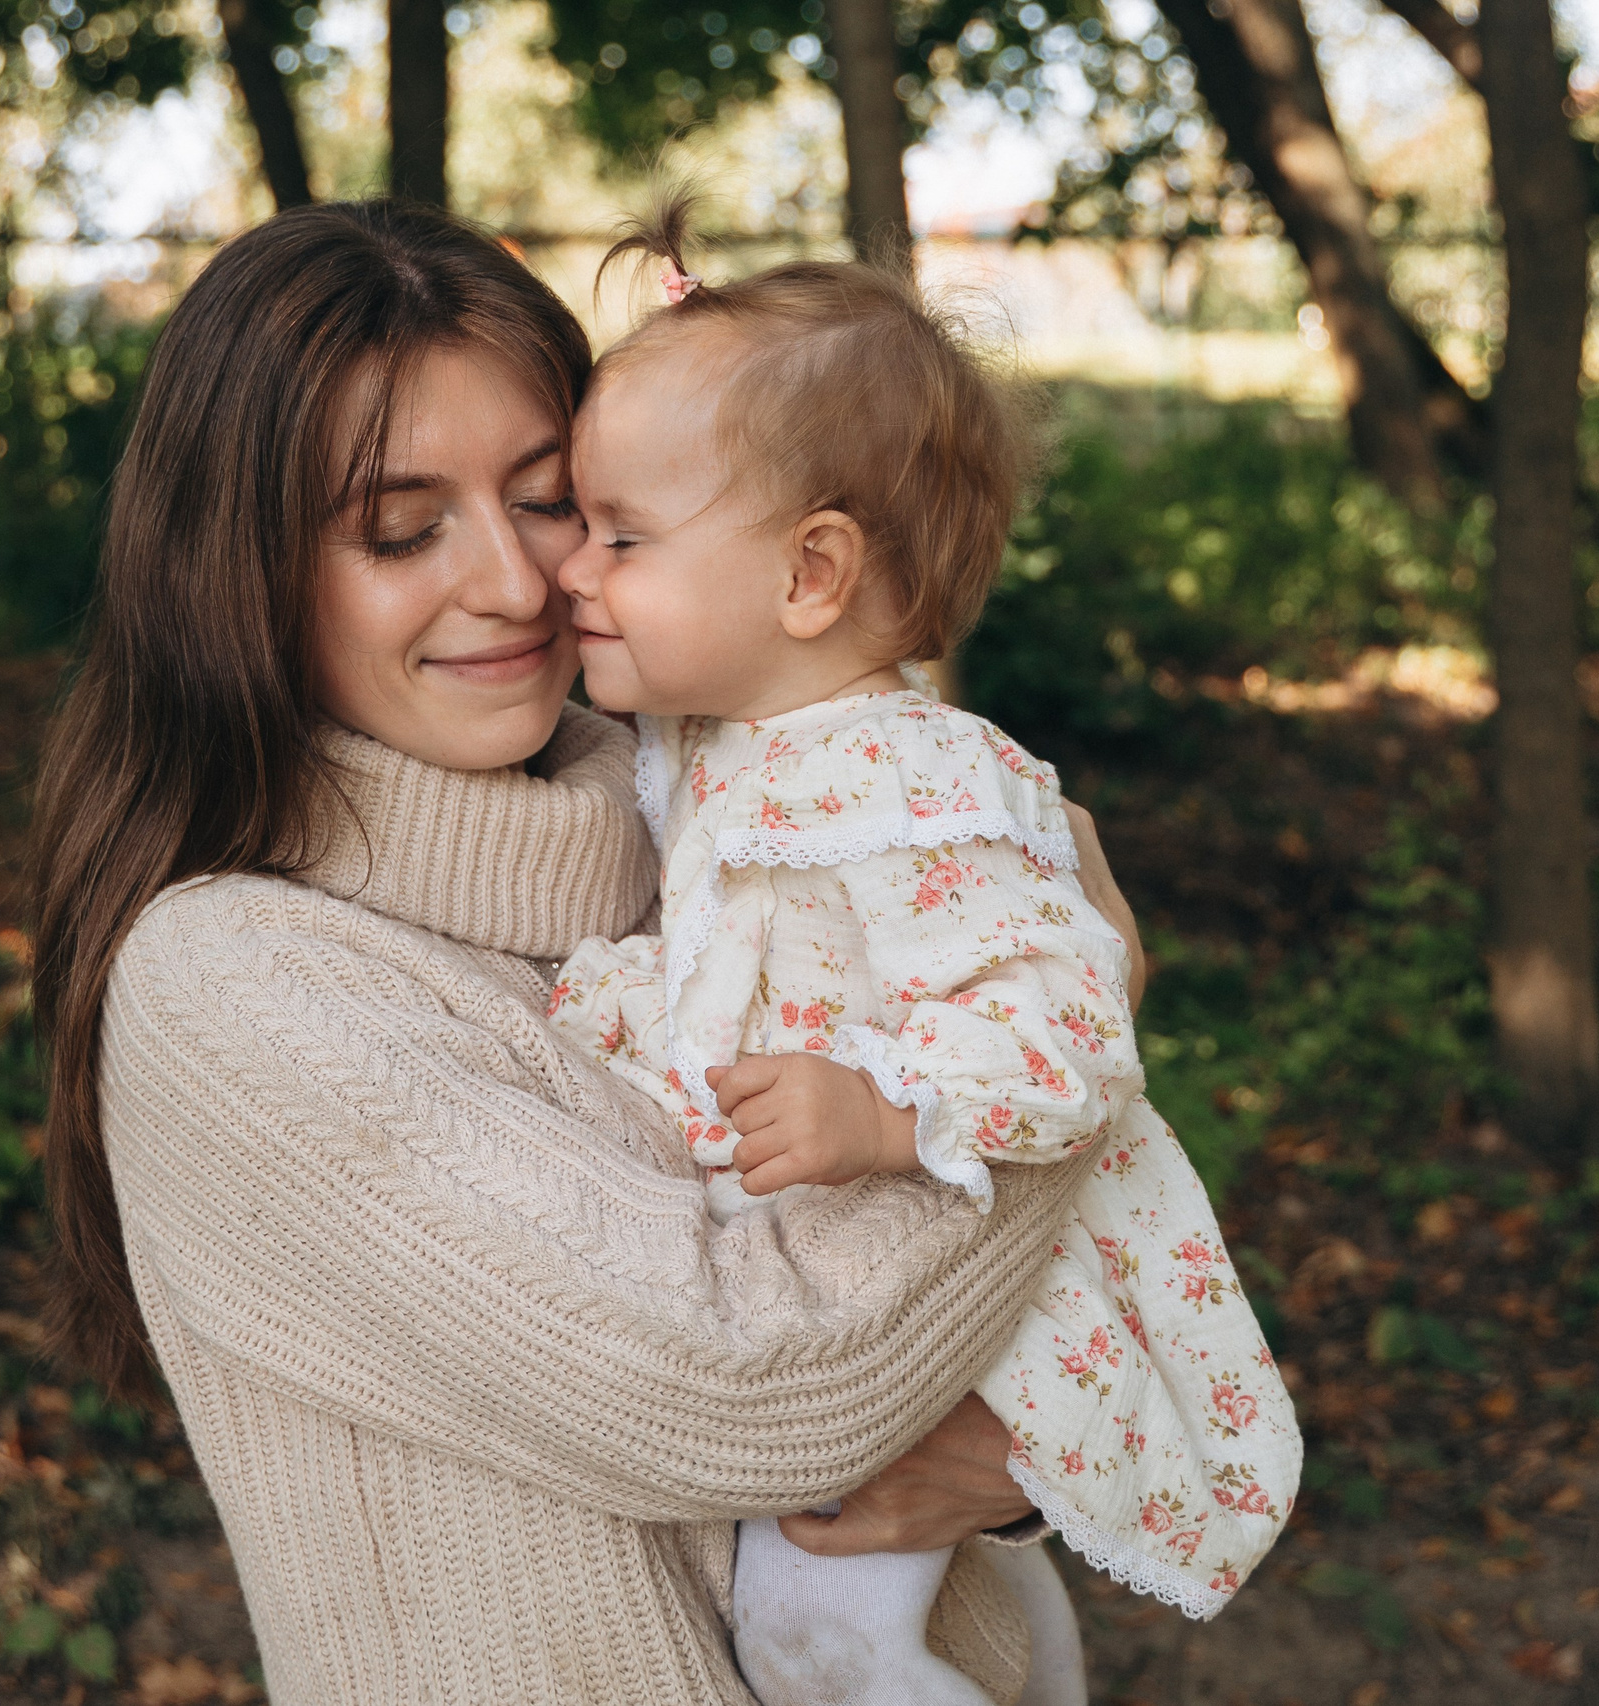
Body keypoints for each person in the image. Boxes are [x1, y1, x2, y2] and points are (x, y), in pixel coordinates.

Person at [28, 198, 1142, 1705]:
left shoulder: (730, 809)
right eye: (401, 531)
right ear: (239, 576)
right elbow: (751, 1384)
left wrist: (1004, 1467)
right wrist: (1076, 1029)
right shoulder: (234, 986)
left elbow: (960, 1360)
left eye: (557, 500)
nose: (514, 579)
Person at [544, 200, 1302, 1706]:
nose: (570, 568)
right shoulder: (717, 743)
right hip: (829, 1297)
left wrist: (882, 1111)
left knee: (823, 1637)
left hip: (957, 1291)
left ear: (811, 575)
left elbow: (1072, 1030)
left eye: (621, 535)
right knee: (811, 1628)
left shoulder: (926, 783)